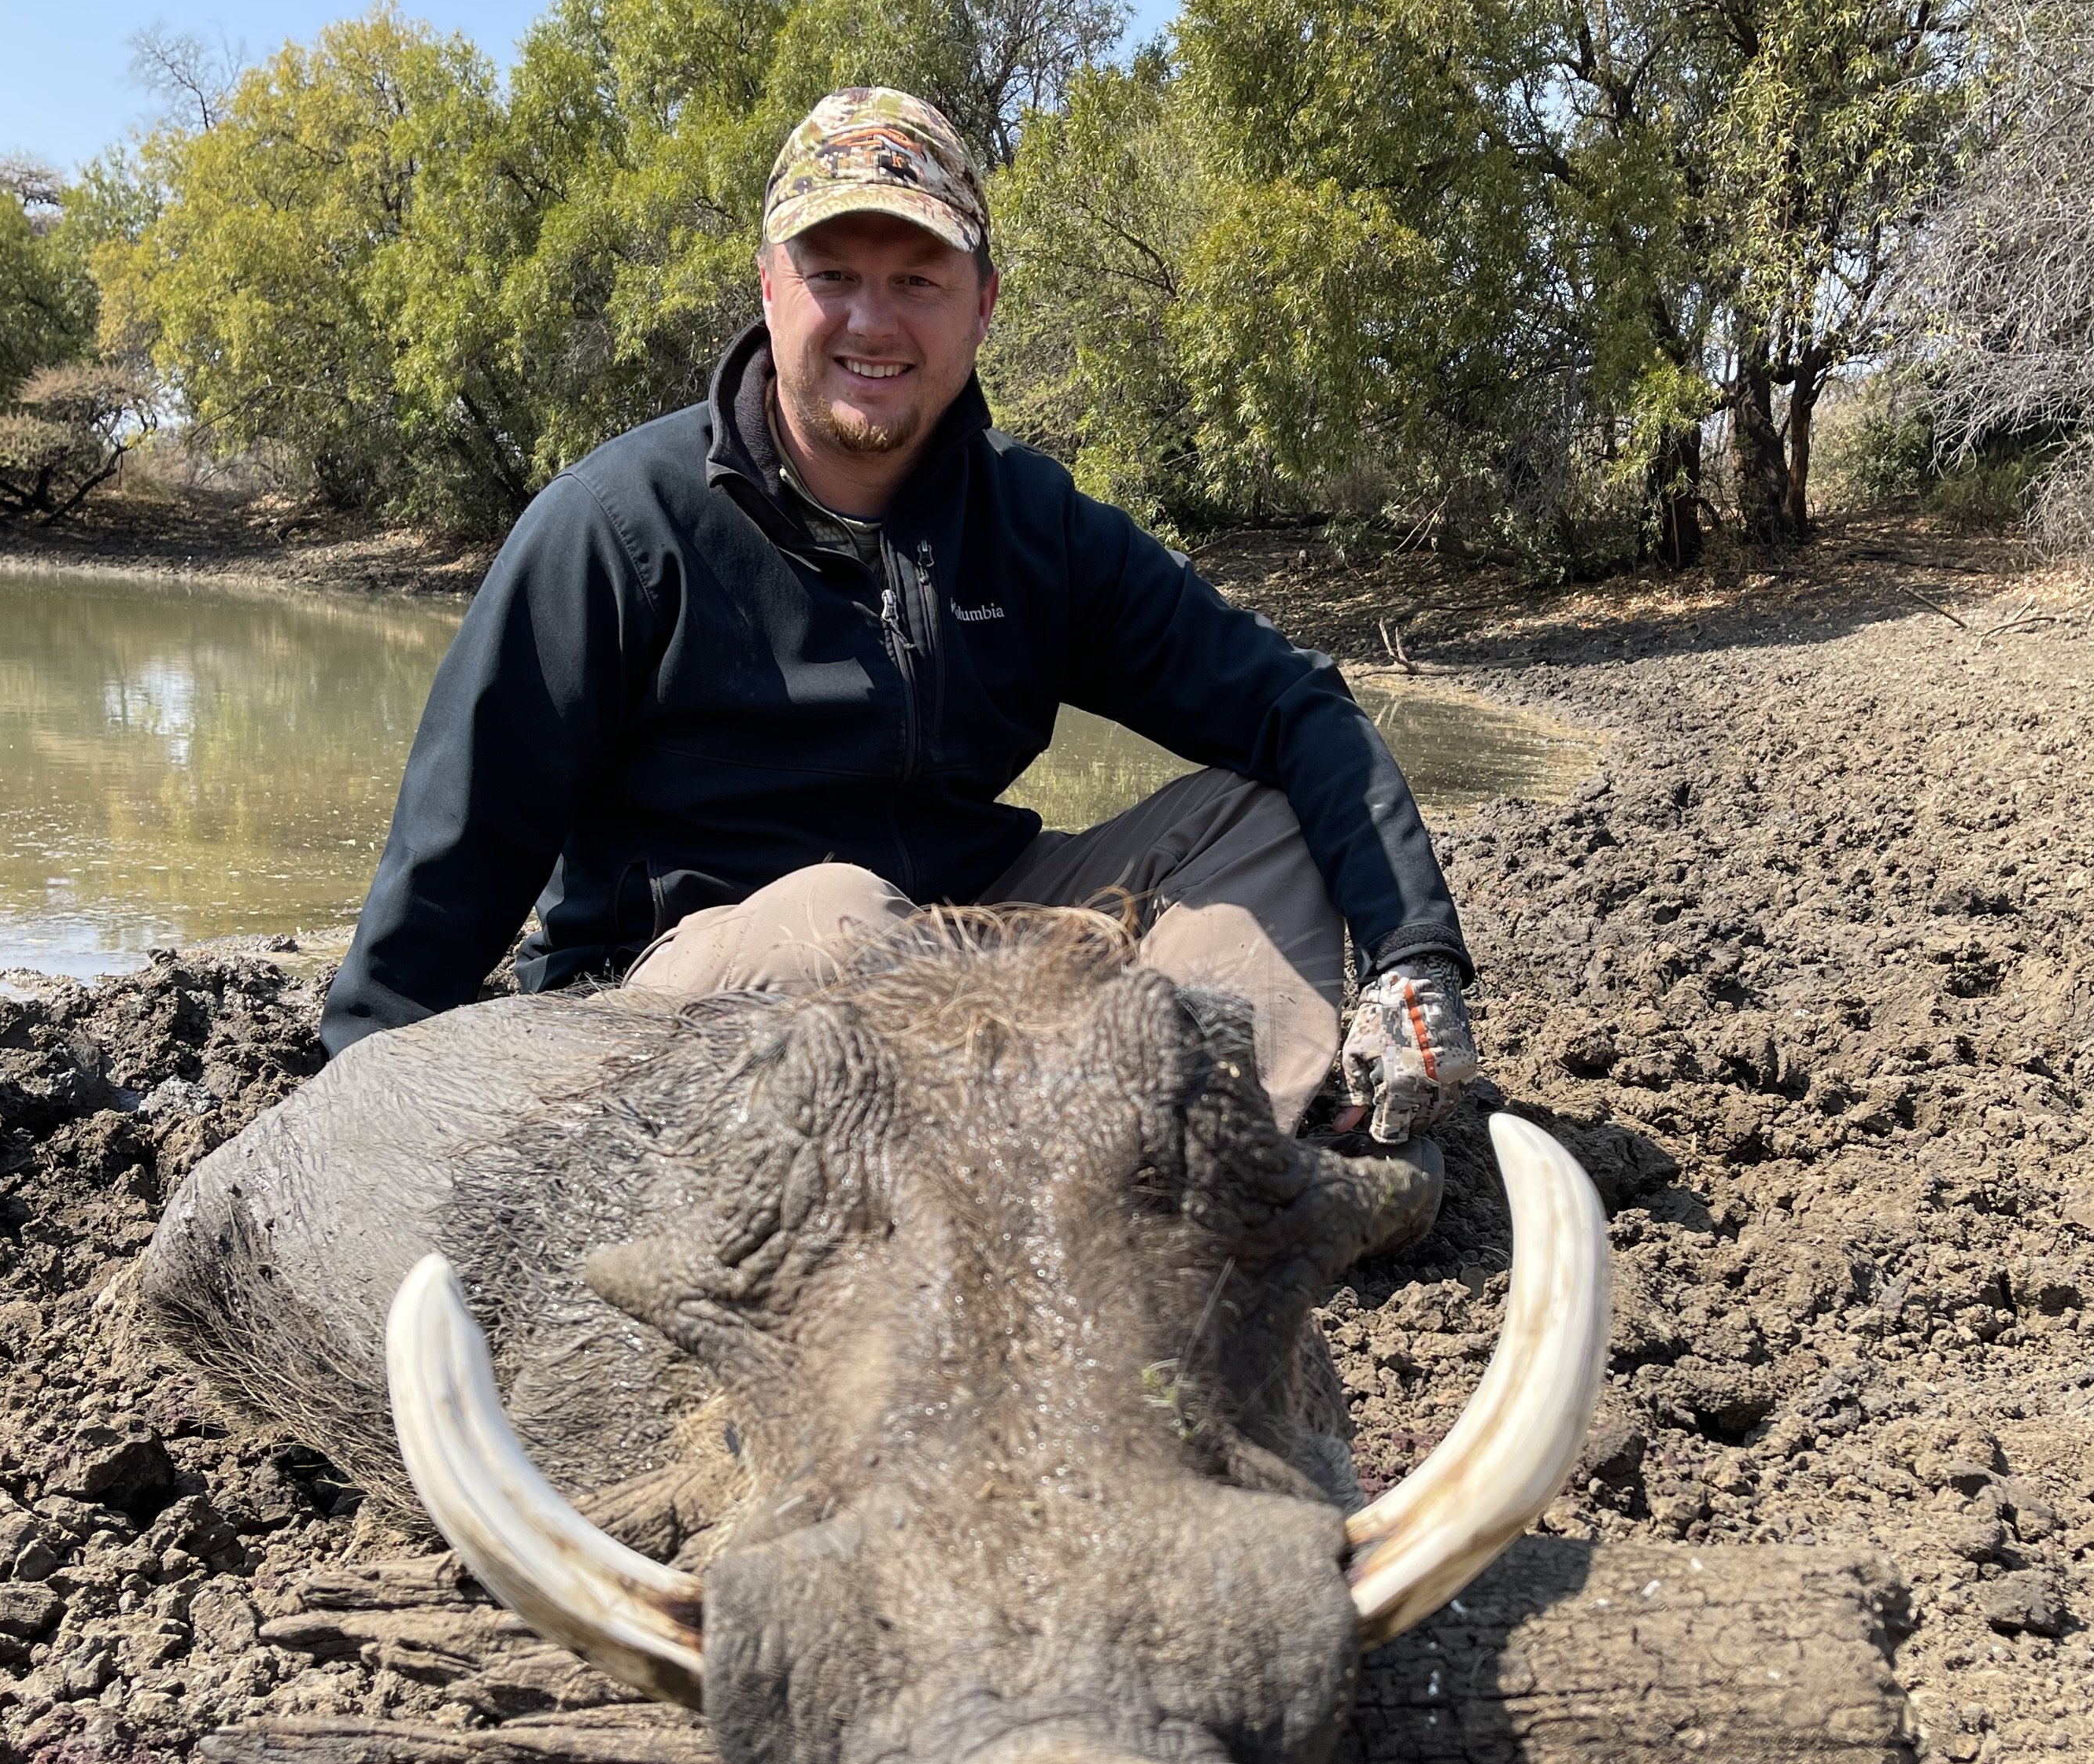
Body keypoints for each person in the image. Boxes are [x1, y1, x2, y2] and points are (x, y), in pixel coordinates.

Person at [319, 86, 1478, 1160]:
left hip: (963, 948)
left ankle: (1189, 1161)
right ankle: (1063, 1156)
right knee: (836, 916)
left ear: (983, 304)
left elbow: (1291, 704)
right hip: (691, 1001)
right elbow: (455, 858)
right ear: (770, 287)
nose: (873, 323)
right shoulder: (613, 528)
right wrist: (361, 1098)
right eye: (833, 275)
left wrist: (1411, 950)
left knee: (1266, 820)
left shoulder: (1036, 525)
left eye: (918, 279)